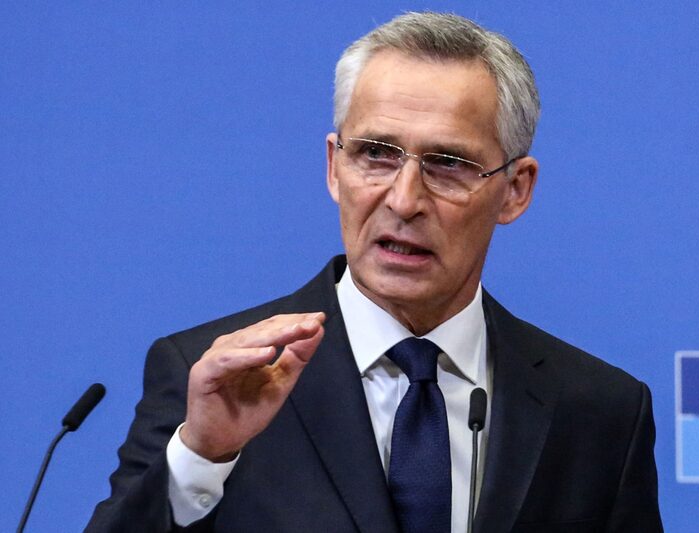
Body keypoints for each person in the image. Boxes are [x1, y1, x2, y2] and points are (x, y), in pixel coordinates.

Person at [87, 12, 662, 533]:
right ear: (334, 167)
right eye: (376, 154)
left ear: (515, 190)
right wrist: (202, 457)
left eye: (448, 164)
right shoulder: (213, 377)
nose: (404, 199)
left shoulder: (600, 410)